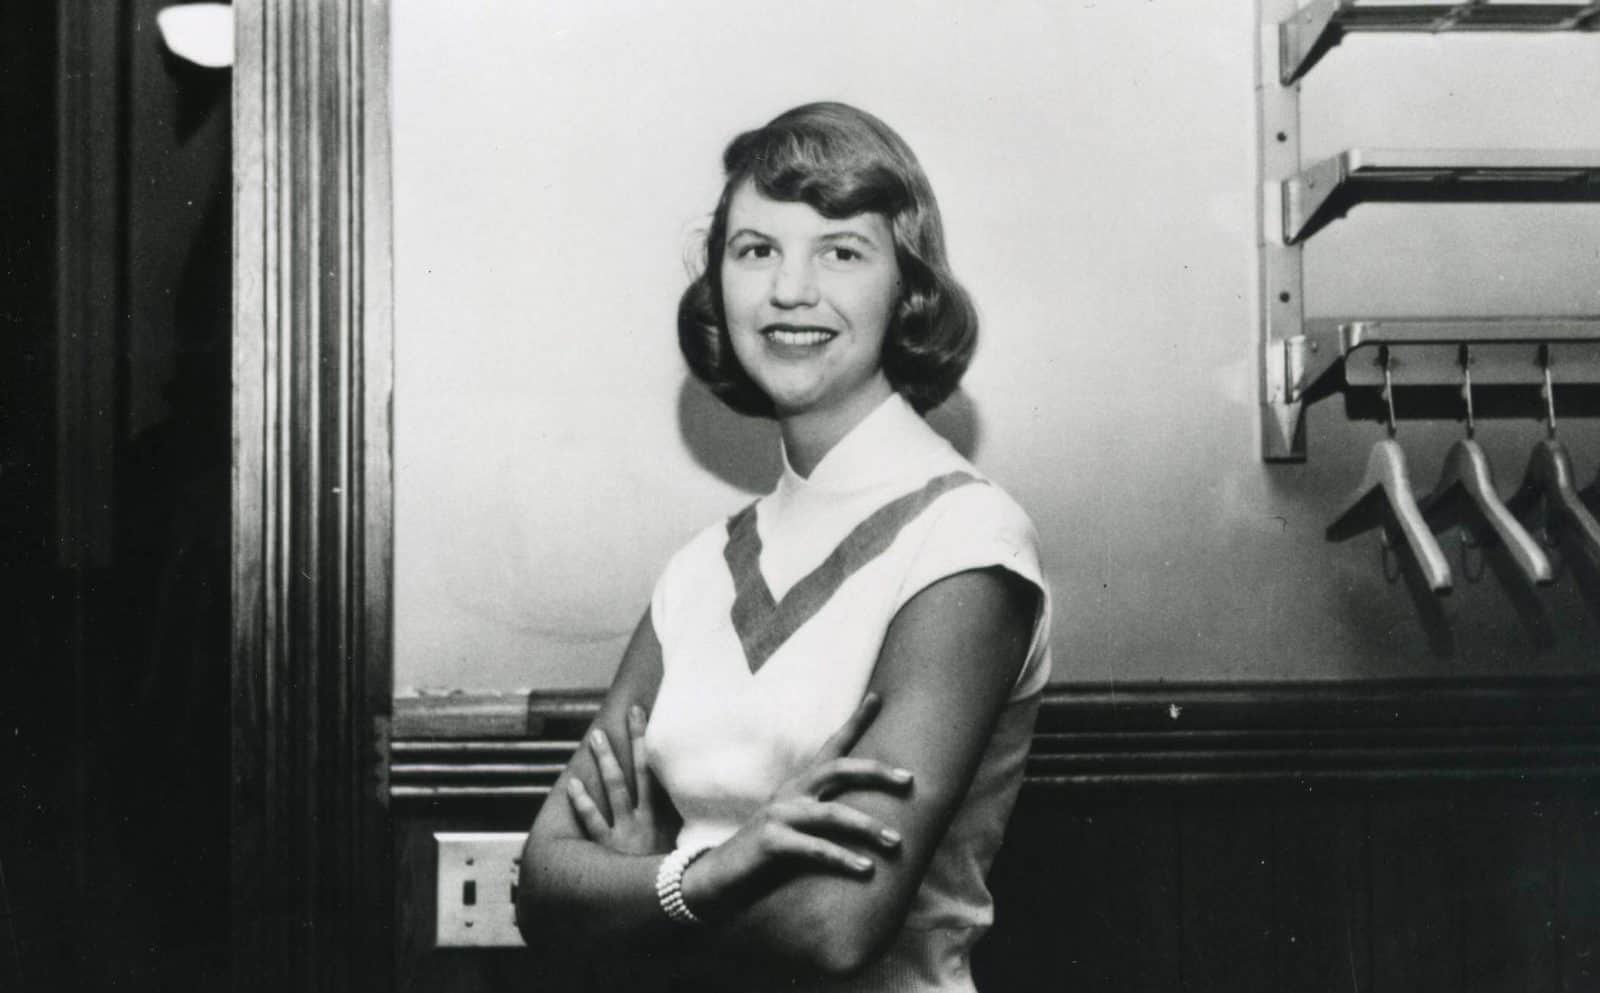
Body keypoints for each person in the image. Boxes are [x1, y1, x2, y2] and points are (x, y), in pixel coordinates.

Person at [517, 101, 1052, 992]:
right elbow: (541, 889)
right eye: (756, 249)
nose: (790, 289)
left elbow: (832, 925)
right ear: (720, 285)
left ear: (908, 288)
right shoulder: (700, 568)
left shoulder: (967, 541)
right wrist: (713, 874)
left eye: (841, 251)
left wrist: (648, 890)